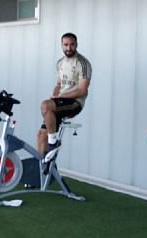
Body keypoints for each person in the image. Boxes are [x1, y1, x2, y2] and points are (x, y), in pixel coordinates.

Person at [37, 33, 92, 161]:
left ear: (76, 44)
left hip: (75, 102)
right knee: (41, 135)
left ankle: (53, 143)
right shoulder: (60, 63)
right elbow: (59, 84)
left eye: (72, 44)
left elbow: (82, 90)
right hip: (61, 101)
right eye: (66, 45)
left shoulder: (83, 63)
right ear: (62, 45)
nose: (69, 48)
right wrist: (56, 92)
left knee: (46, 105)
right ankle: (42, 167)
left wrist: (61, 96)